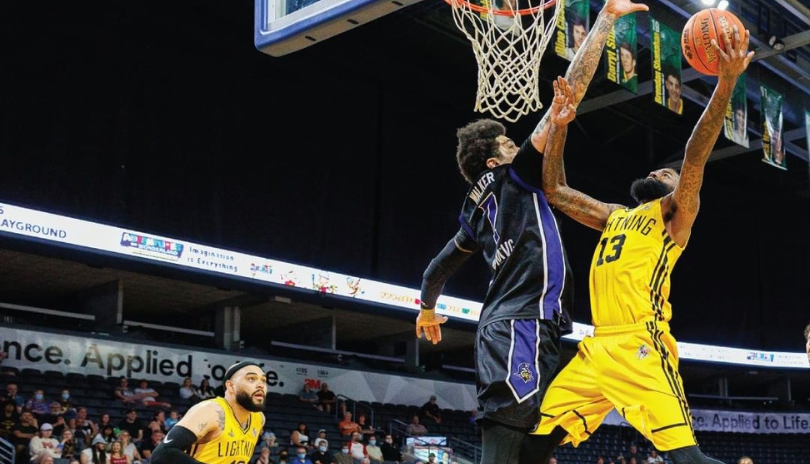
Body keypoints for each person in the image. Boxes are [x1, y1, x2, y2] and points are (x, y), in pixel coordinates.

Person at [415, 3, 647, 464]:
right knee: (507, 437)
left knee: (534, 443)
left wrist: (426, 308)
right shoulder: (513, 177)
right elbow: (570, 94)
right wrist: (605, 19)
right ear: (494, 160)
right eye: (507, 143)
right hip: (520, 321)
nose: (516, 143)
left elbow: (438, 267)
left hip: (520, 322)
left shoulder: (472, 212)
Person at [528, 25, 754, 464]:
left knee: (687, 459)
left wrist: (726, 83)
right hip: (596, 348)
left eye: (665, 175)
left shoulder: (673, 215)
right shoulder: (615, 215)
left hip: (642, 344)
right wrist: (559, 126)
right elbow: (554, 189)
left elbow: (694, 156)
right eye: (656, 171)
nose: (658, 172)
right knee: (532, 445)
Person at [149, 362, 266, 464]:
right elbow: (162, 454)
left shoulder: (259, 419)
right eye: (251, 378)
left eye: (264, 380)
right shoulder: (211, 411)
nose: (261, 385)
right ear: (231, 386)